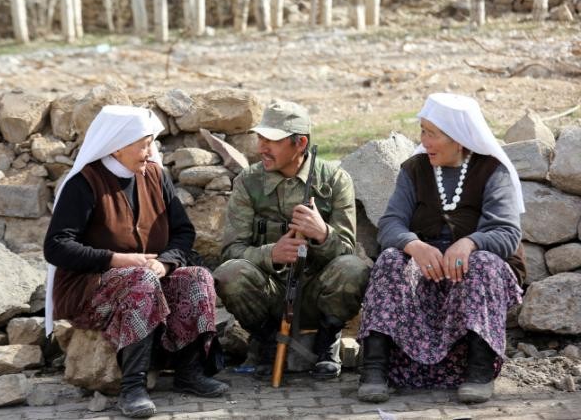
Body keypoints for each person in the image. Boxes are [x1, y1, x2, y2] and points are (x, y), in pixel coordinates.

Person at [44, 105, 229, 418]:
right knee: (140, 281)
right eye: (143, 144)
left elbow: (184, 231)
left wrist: (167, 263)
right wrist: (116, 260)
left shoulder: (156, 176)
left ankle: (189, 371)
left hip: (148, 276)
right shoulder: (84, 184)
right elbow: (57, 247)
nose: (150, 151)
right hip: (90, 290)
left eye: (151, 143)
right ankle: (133, 386)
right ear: (117, 146)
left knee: (196, 277)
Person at [357, 93, 525, 404]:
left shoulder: (492, 171)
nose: (424, 140)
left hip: (473, 269)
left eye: (432, 134)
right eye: (422, 131)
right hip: (427, 266)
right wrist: (414, 245)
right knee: (391, 260)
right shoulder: (414, 170)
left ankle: (478, 371)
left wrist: (470, 242)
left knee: (483, 264)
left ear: (459, 139)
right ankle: (375, 369)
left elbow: (507, 233)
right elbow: (391, 224)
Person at [213, 100, 370, 380]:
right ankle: (267, 341)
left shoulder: (334, 180)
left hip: (316, 293)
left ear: (300, 144)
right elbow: (231, 251)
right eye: (260, 138)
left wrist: (322, 234)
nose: (262, 147)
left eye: (272, 140)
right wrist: (271, 253)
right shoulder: (248, 182)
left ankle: (326, 343)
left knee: (354, 270)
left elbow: (346, 250)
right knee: (230, 274)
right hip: (270, 293)